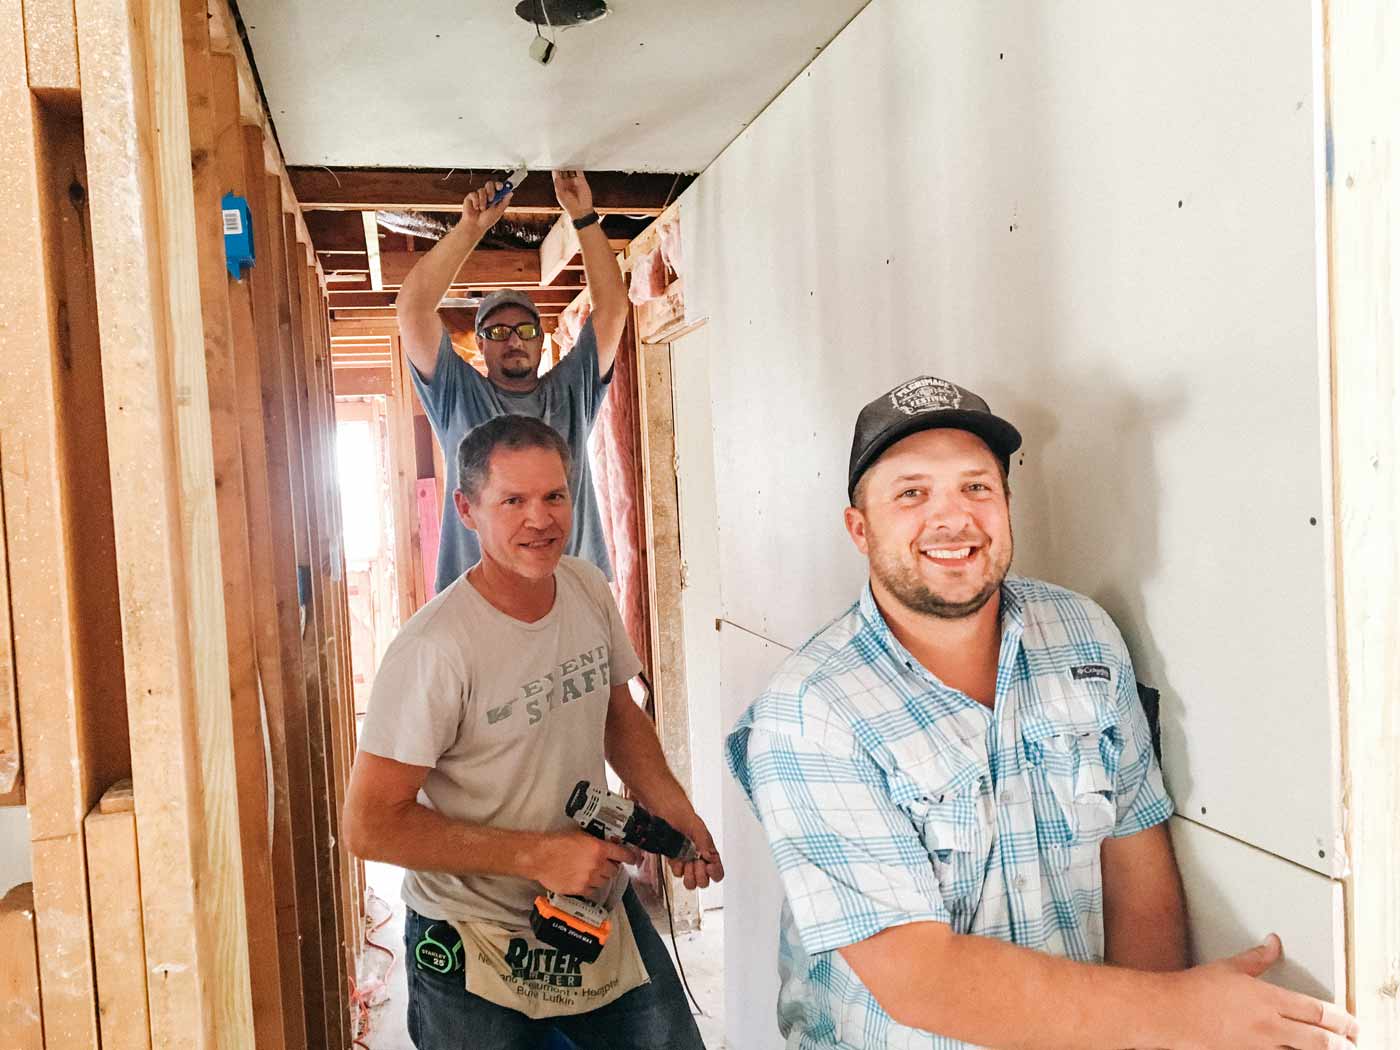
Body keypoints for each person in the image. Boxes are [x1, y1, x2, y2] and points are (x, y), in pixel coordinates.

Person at [725, 375, 1359, 1049]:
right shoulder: (810, 712)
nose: (953, 518)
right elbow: (920, 977)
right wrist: (1179, 1012)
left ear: (1005, 504)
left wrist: (1159, 1030)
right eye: (911, 493)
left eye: (977, 486)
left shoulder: (1082, 636)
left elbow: (1135, 863)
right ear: (860, 528)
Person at [344, 414, 723, 1049]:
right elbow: (369, 824)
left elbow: (616, 713)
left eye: (554, 495)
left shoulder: (584, 588)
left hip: (590, 901)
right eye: (512, 500)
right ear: (467, 509)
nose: (539, 520)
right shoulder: (435, 650)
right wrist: (538, 855)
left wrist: (675, 810)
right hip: (473, 933)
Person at [396, 170, 627, 591]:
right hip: (479, 602)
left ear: (542, 341)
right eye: (497, 332)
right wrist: (470, 229)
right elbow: (413, 310)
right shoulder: (456, 395)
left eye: (526, 330)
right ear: (479, 346)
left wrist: (584, 216)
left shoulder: (571, 392)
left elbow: (611, 310)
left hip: (571, 595)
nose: (514, 340)